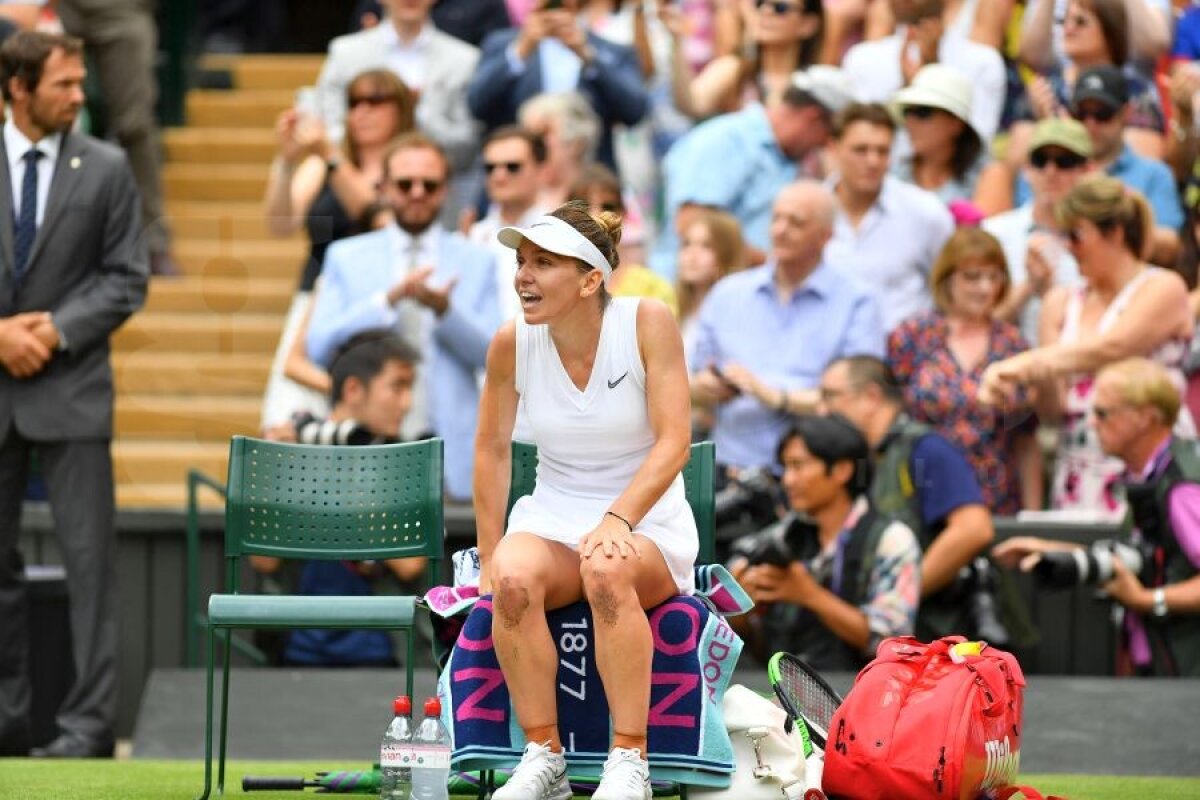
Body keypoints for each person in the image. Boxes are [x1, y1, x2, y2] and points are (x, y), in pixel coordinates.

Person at [474, 201, 696, 800]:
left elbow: (676, 442)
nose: (523, 275)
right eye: (521, 261)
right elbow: (492, 451)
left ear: (591, 279)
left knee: (605, 566)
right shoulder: (510, 343)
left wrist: (617, 518)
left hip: (646, 523)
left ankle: (630, 761)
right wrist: (488, 552)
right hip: (552, 517)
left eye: (543, 263)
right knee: (515, 578)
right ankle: (543, 756)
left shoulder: (648, 321)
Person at [0, 31, 149, 758]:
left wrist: (50, 333)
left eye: (81, 80)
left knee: (93, 571)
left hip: (75, 392)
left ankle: (88, 729)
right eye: (63, 83)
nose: (79, 94)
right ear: (18, 88)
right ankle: (6, 721)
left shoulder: (110, 167)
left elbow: (128, 277)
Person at [980, 175, 1194, 517]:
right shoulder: (1060, 302)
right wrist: (1035, 379)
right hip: (1079, 467)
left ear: (1115, 232)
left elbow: (1113, 347)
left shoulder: (1163, 287)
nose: (1068, 247)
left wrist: (1024, 365)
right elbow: (1053, 409)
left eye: (1076, 236)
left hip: (1150, 461)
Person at [306, 133, 500, 501]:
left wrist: (446, 310)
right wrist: (386, 301)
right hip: (364, 449)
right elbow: (320, 346)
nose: (416, 193)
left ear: (445, 189)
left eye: (429, 185)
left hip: (451, 448)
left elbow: (496, 353)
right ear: (383, 187)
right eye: (405, 183)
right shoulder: (346, 256)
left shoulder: (476, 259)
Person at [994, 358, 1200, 677]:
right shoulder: (1157, 475)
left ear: (1146, 417)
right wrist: (1047, 548)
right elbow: (1136, 558)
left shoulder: (1181, 488)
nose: (1091, 424)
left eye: (1103, 413)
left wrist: (1146, 599)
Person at [258, 330, 427, 667]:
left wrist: (343, 471)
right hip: (295, 648)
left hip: (380, 651)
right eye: (397, 387)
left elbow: (411, 565)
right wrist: (281, 468)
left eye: (410, 389)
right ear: (353, 389)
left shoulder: (402, 458)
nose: (407, 403)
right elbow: (264, 562)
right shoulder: (302, 449)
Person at [689, 181, 884, 473]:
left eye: (796, 222)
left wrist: (771, 395)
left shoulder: (857, 300)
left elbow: (856, 399)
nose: (780, 229)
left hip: (816, 475)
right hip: (728, 467)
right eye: (777, 218)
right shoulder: (729, 293)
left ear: (825, 236)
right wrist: (706, 387)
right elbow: (690, 380)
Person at [260, 68, 416, 429]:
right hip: (316, 297)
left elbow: (381, 219)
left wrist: (330, 154)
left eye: (376, 101)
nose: (363, 111)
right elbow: (279, 224)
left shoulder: (408, 169)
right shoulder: (320, 162)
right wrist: (286, 161)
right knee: (286, 416)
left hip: (379, 305)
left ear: (401, 109)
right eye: (354, 102)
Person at [817, 356, 994, 641]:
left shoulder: (925, 449)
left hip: (935, 640)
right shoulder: (862, 458)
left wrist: (899, 594)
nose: (821, 410)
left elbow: (974, 530)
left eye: (830, 396)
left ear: (871, 396)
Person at [729, 415, 922, 670]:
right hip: (778, 690)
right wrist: (740, 608)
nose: (787, 480)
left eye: (798, 466)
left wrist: (809, 595)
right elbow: (757, 643)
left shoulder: (891, 539)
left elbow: (891, 643)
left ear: (842, 471)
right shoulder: (782, 535)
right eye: (785, 467)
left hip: (858, 697)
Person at [887, 228, 1042, 516]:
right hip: (923, 492)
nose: (984, 288)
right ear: (947, 279)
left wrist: (1033, 516)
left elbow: (1026, 439)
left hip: (994, 496)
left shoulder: (1012, 346)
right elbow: (886, 414)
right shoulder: (913, 336)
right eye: (972, 277)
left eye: (993, 277)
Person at [656, 65, 856, 275]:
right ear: (813, 117)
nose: (826, 145)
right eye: (830, 135)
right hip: (690, 297)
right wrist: (772, 266)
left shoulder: (789, 157)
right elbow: (692, 221)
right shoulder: (727, 140)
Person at [314, 0, 481, 221]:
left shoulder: (464, 59)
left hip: (429, 199)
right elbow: (327, 123)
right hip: (352, 193)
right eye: (361, 101)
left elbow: (467, 147)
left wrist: (420, 112)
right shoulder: (345, 52)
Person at [56, 0, 176, 274]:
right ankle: (53, 243)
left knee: (134, 125)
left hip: (122, 8)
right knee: (46, 119)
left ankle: (153, 239)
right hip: (58, 7)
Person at [467, 0, 649, 175]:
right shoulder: (502, 45)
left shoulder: (612, 51)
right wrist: (521, 50)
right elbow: (476, 105)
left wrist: (587, 56)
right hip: (519, 176)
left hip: (588, 181)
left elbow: (635, 112)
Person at [823, 102, 955, 332]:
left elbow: (950, 289)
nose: (873, 161)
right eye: (860, 150)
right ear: (833, 148)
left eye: (882, 151)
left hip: (903, 358)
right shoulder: (808, 209)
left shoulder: (924, 212)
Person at [983, 117, 1093, 344]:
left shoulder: (1100, 241)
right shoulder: (994, 234)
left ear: (1087, 171)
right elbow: (976, 328)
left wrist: (1051, 294)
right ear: (1026, 169)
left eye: (1064, 161)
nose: (1050, 171)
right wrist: (1028, 287)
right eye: (1040, 160)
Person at [841, 0, 1005, 142]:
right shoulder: (861, 58)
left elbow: (979, 148)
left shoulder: (984, 62)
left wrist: (931, 77)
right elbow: (855, 142)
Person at [684, 0, 824, 118]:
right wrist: (676, 41)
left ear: (809, 24)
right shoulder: (735, 69)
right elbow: (692, 105)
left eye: (780, 8)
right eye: (759, 3)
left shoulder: (817, 84)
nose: (765, 11)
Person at [891, 63, 1003, 210]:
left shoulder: (988, 174)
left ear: (956, 122)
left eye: (923, 112)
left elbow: (984, 232)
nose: (910, 122)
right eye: (907, 112)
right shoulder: (895, 173)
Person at [468, 125, 548, 321]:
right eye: (490, 167)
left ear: (541, 170)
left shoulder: (561, 232)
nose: (499, 175)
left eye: (512, 167)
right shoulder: (471, 236)